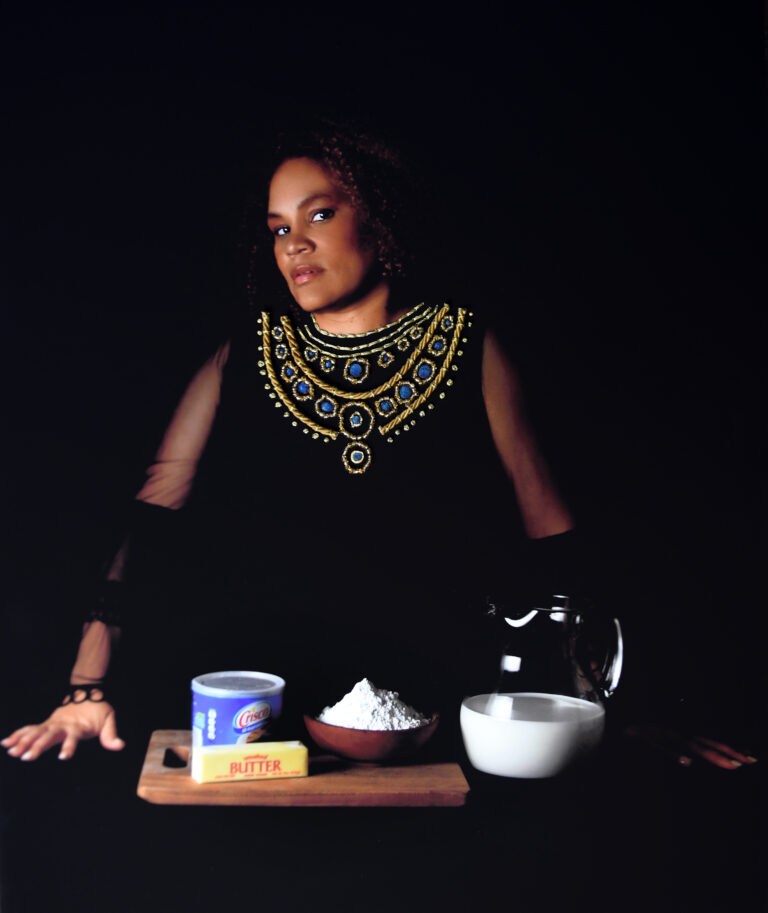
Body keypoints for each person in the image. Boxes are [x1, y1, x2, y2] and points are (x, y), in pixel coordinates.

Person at [2, 118, 756, 771]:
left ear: (380, 217)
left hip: (441, 713)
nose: (293, 244)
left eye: (318, 214)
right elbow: (151, 521)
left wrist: (614, 712)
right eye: (276, 228)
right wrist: (85, 688)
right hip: (269, 716)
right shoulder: (245, 353)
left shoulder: (467, 344)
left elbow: (554, 543)